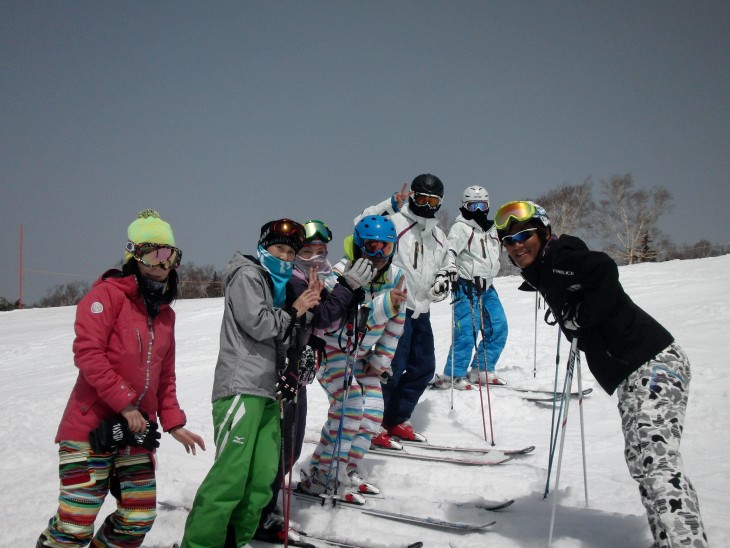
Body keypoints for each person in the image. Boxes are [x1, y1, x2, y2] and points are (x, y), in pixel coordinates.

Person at [494, 200, 708, 548]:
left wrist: (581, 315)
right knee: (643, 462)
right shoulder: (546, 271)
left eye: (524, 235)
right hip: (636, 372)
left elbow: (604, 268)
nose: (517, 245)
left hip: (652, 364)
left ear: (543, 232)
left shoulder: (559, 258)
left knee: (657, 466)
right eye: (509, 240)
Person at [37, 209, 205, 548]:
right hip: (88, 428)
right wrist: (125, 403)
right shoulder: (106, 296)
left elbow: (164, 377)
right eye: (153, 253)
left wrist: (173, 423)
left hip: (135, 431)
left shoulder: (165, 315)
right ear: (134, 255)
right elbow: (88, 354)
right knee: (75, 524)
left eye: (170, 254)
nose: (162, 264)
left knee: (138, 517)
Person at [180, 219, 321, 548]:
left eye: (290, 253)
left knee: (261, 480)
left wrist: (307, 312)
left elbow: (284, 336)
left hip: (268, 391)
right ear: (264, 248)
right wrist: (295, 309)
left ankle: (234, 541)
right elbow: (257, 323)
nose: (285, 258)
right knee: (230, 476)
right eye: (279, 249)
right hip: (241, 387)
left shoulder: (278, 286)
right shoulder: (248, 275)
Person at [253, 219, 370, 544]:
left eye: (320, 250)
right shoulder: (289, 277)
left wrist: (350, 300)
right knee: (279, 447)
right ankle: (257, 512)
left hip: (298, 365)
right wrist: (345, 289)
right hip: (279, 370)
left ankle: (262, 508)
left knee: (290, 444)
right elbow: (316, 317)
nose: (315, 256)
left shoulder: (312, 275)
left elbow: (320, 320)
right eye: (306, 250)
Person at [299, 215, 407, 502]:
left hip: (362, 357)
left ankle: (343, 469)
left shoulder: (396, 277)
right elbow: (339, 327)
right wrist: (385, 304)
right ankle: (323, 474)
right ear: (359, 247)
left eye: (386, 247)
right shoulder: (338, 274)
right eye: (372, 247)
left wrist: (381, 361)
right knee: (349, 408)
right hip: (332, 351)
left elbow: (396, 324)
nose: (379, 255)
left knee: (371, 417)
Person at [356, 175, 450, 442]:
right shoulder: (394, 223)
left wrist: (442, 280)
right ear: (412, 197)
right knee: (391, 366)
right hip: (395, 305)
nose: (427, 206)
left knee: (424, 367)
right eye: (422, 199)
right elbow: (361, 224)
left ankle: (396, 418)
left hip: (422, 309)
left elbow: (444, 263)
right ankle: (372, 422)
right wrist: (388, 204)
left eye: (434, 201)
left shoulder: (439, 236)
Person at [433, 185, 508, 390]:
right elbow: (449, 251)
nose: (476, 210)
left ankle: (481, 369)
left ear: (488, 206)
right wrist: (448, 271)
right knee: (466, 330)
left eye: (481, 205)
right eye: (472, 205)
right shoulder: (461, 228)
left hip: (488, 286)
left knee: (498, 326)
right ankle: (453, 375)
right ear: (464, 206)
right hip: (466, 285)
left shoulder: (492, 229)